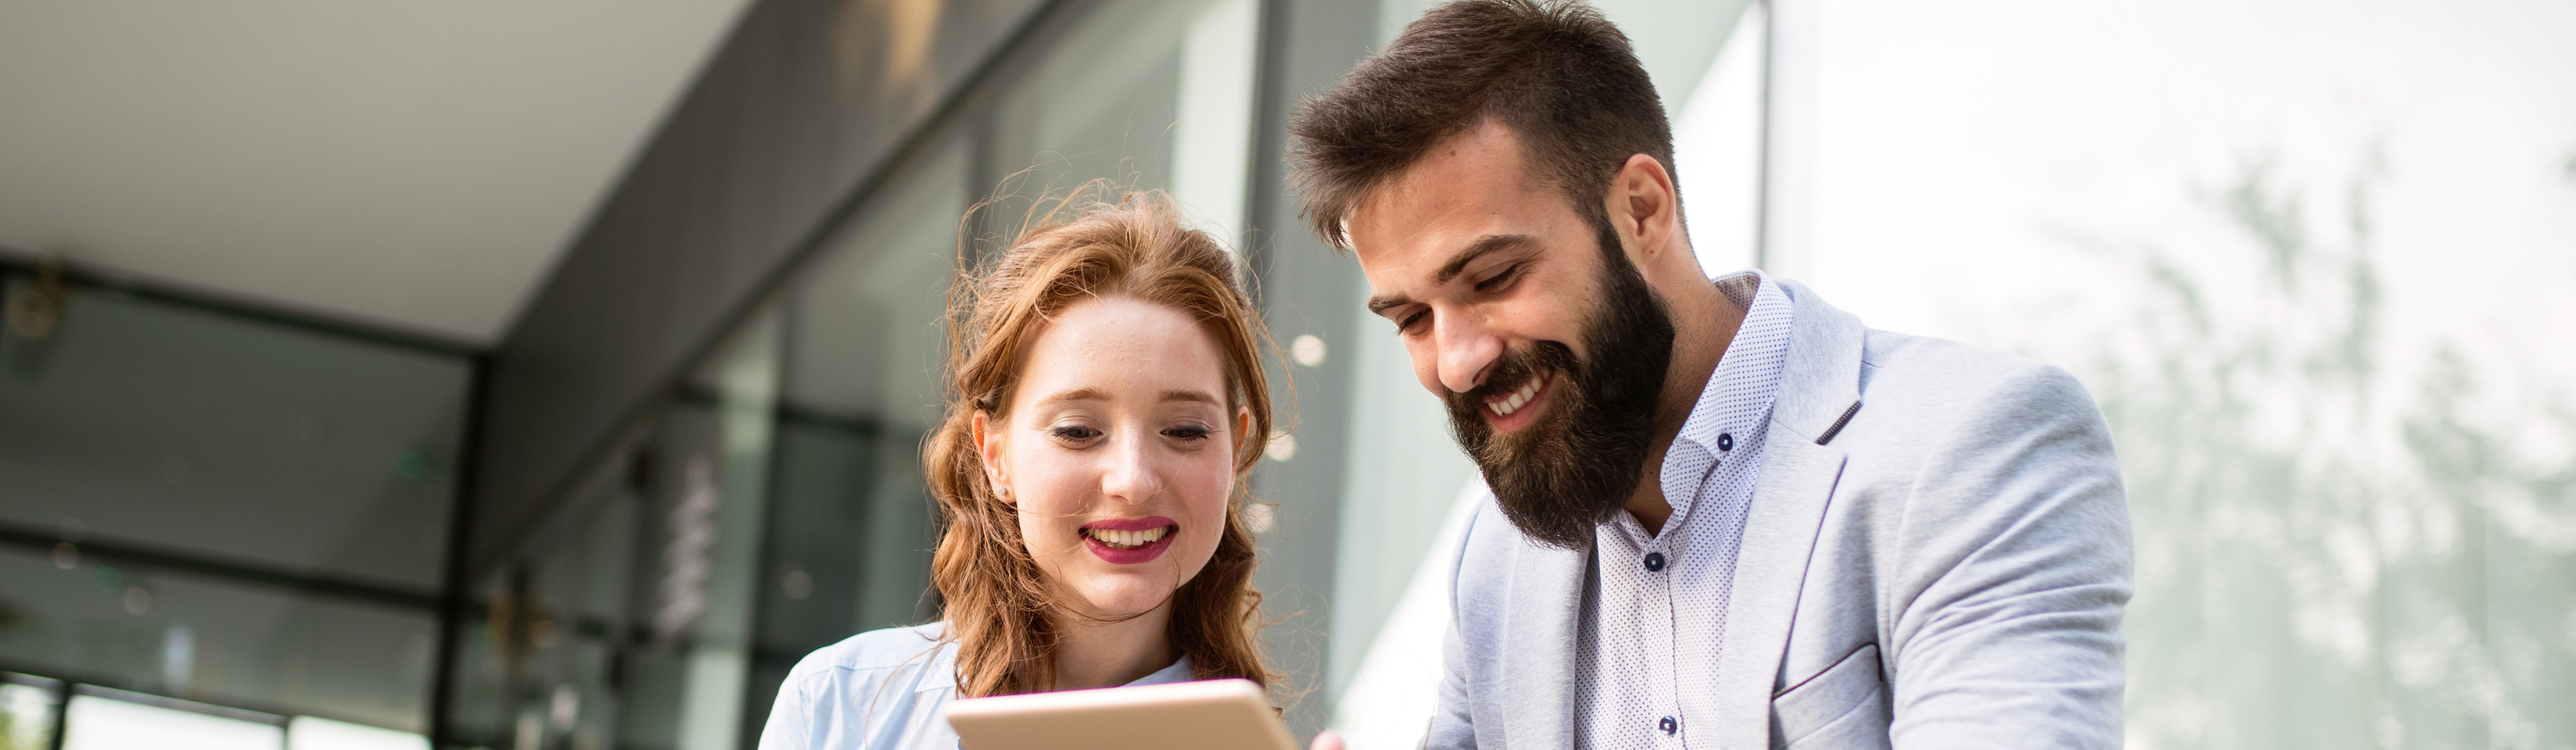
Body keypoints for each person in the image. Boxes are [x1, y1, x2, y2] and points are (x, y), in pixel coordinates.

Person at [1286, 2, 2133, 748]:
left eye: (1495, 278)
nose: (1458, 359)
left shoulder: (1973, 449)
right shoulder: (1494, 566)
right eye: (1412, 320)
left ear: (1642, 210)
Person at [755, 190, 1282, 750]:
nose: (1132, 480)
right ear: (995, 454)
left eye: (1184, 432)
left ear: (1236, 448)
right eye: (1078, 431)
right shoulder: (841, 708)